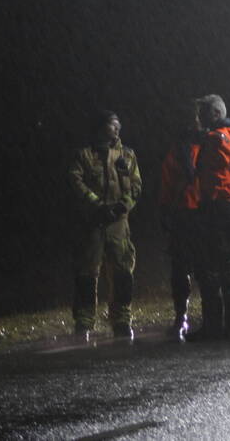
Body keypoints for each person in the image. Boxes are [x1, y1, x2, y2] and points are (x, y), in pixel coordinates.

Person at [66, 110, 141, 341]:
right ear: (101, 127)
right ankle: (84, 322)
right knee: (87, 273)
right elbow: (75, 181)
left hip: (118, 222)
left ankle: (121, 319)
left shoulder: (127, 155)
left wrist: (123, 206)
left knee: (122, 271)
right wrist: (96, 204)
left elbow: (136, 185)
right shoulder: (85, 155)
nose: (116, 129)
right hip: (93, 222)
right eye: (112, 125)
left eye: (118, 125)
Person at [187, 94, 230, 341]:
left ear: (213, 115)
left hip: (216, 205)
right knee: (229, 265)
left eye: (202, 115)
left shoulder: (214, 139)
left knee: (209, 267)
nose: (200, 120)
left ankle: (212, 326)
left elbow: (201, 171)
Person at [158, 104, 202, 340]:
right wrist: (166, 209)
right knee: (180, 268)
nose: (194, 122)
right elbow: (168, 181)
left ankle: (210, 315)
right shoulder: (178, 150)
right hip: (184, 213)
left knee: (205, 267)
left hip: (204, 213)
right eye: (192, 117)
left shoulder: (211, 144)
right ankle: (181, 315)